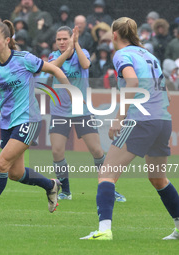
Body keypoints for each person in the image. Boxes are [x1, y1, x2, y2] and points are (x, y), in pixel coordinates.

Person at [0, 20, 72, 220]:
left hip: (29, 119)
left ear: (7, 40)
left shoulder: (24, 59)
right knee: (15, 173)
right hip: (7, 123)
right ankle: (51, 185)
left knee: (1, 163)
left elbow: (54, 69)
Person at [81, 17, 179, 240]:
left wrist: (119, 118)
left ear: (115, 35)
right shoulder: (148, 54)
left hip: (140, 120)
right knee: (158, 179)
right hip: (162, 120)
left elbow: (132, 82)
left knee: (106, 173)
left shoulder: (122, 54)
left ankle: (104, 230)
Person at [48, 26, 124, 202]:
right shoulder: (53, 56)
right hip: (60, 111)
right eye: (58, 39)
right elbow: (52, 68)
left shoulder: (83, 53)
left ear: (72, 38)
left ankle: (109, 188)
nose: (61, 42)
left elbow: (85, 64)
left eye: (64, 38)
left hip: (81, 111)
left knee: (97, 150)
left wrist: (75, 46)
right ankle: (65, 191)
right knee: (57, 151)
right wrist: (66, 51)